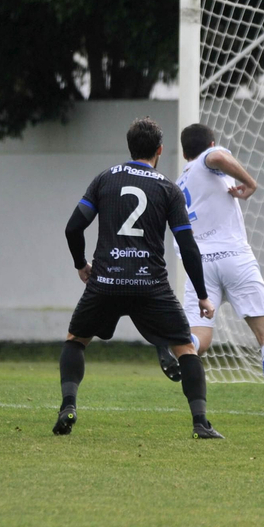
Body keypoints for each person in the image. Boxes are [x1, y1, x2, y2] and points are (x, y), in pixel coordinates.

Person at [61, 117, 222, 439]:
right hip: (151, 285)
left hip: (106, 281)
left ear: (130, 147)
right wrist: (203, 295)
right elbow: (187, 245)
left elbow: (73, 227)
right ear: (160, 149)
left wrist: (81, 264)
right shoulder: (167, 188)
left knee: (76, 342)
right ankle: (200, 423)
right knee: (186, 351)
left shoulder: (104, 180)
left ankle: (68, 406)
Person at [157, 123, 264, 423]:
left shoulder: (179, 182)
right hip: (234, 257)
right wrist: (249, 183)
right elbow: (219, 158)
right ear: (209, 143)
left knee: (199, 341)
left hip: (199, 265)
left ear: (183, 152)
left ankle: (174, 351)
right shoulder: (210, 158)